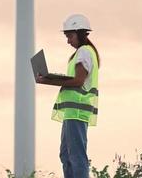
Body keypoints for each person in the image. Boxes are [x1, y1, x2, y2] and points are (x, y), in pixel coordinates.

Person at [36, 14, 100, 178]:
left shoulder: (84, 52)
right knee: (66, 155)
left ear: (79, 33)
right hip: (72, 113)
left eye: (70, 36)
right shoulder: (82, 52)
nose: (68, 41)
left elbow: (78, 81)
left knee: (76, 156)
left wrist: (48, 81)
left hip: (77, 112)